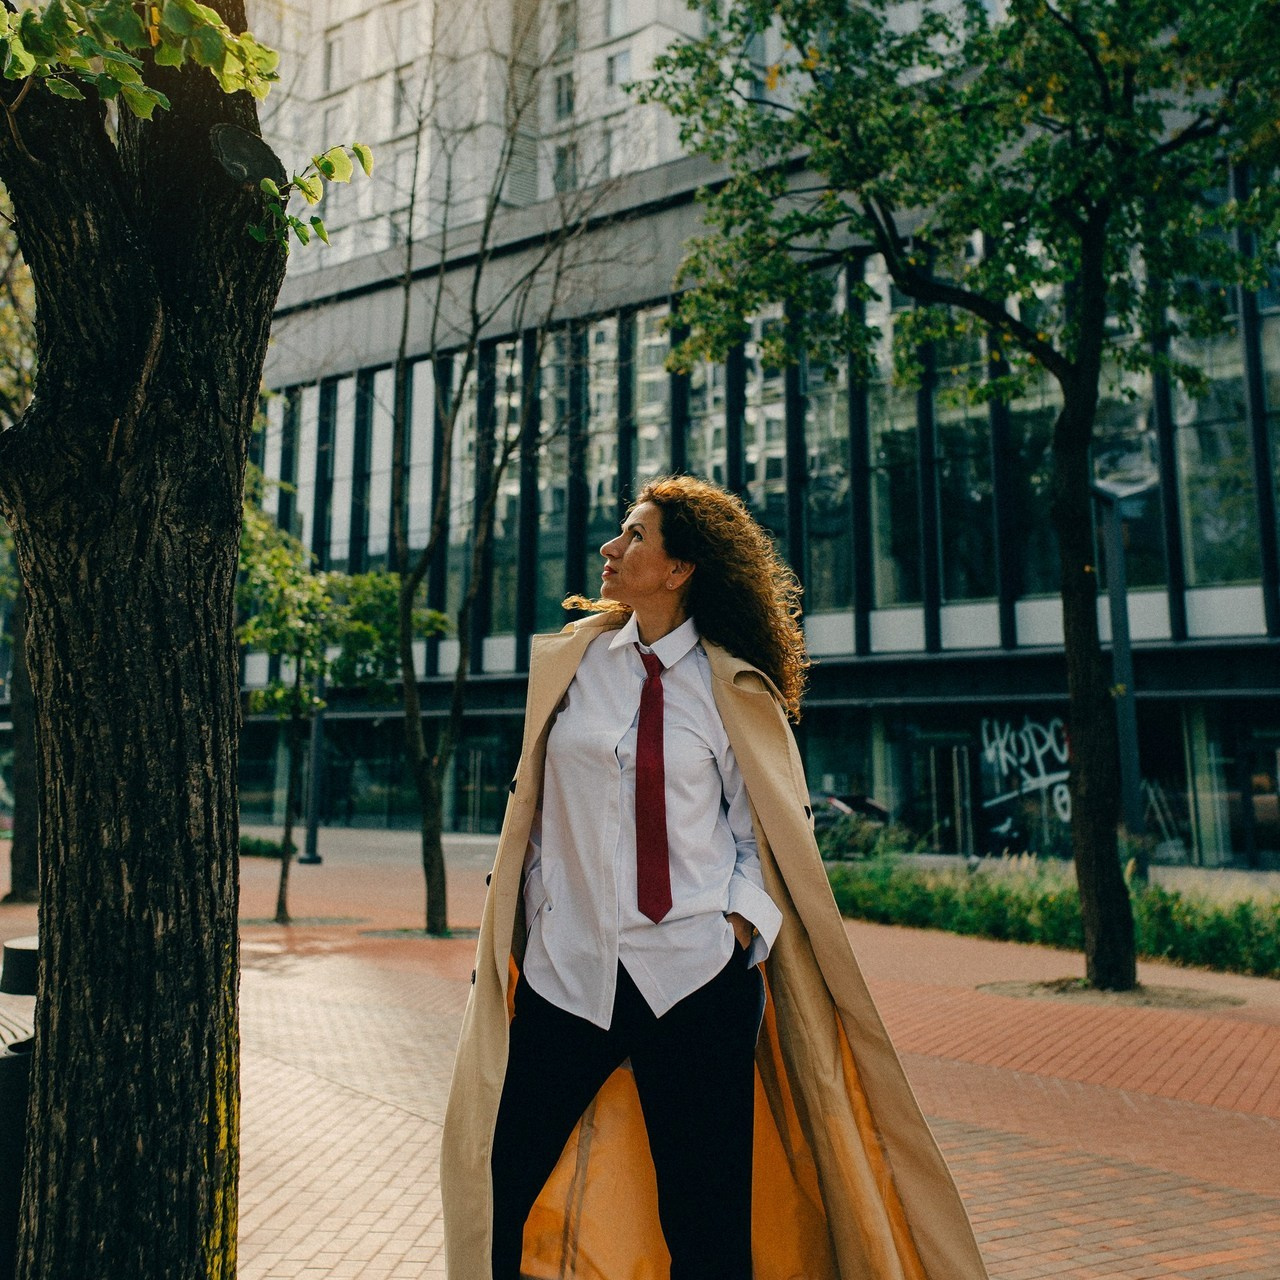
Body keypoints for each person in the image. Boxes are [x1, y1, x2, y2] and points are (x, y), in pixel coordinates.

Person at [442, 475, 989, 1280]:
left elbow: (761, 837)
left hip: (694, 985)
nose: (610, 548)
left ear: (679, 569)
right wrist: (540, 910)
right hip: (570, 977)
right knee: (502, 1185)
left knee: (706, 1227)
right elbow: (538, 809)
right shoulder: (576, 666)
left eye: (634, 536)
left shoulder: (732, 688)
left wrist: (732, 930)